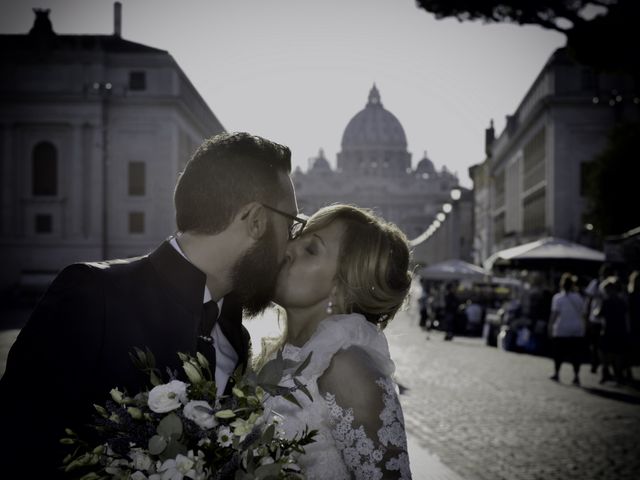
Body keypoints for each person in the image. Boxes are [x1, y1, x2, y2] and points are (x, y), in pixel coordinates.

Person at [0, 132, 300, 478]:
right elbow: (15, 446)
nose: (290, 246)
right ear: (257, 220)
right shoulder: (93, 294)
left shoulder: (235, 334)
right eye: (290, 224)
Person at [256, 204, 412, 479]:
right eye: (297, 236)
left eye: (311, 249)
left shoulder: (348, 368)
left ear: (341, 286)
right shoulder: (275, 353)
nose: (288, 248)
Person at [548, 272, 586, 385]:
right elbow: (583, 314)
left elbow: (554, 315)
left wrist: (550, 327)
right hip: (577, 329)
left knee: (558, 353)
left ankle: (556, 373)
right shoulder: (579, 298)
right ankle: (576, 376)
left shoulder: (558, 298)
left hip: (562, 329)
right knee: (575, 354)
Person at [596, 276, 630, 384]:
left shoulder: (606, 301)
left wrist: (595, 311)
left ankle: (606, 371)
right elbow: (627, 316)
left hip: (608, 329)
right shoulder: (622, 301)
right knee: (618, 353)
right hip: (620, 330)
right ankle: (618, 375)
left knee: (604, 352)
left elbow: (598, 314)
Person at [584, 264, 615, 374]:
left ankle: (605, 367)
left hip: (608, 320)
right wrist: (587, 316)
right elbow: (588, 300)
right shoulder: (595, 283)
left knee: (605, 345)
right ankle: (596, 363)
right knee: (595, 344)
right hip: (595, 319)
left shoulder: (613, 285)